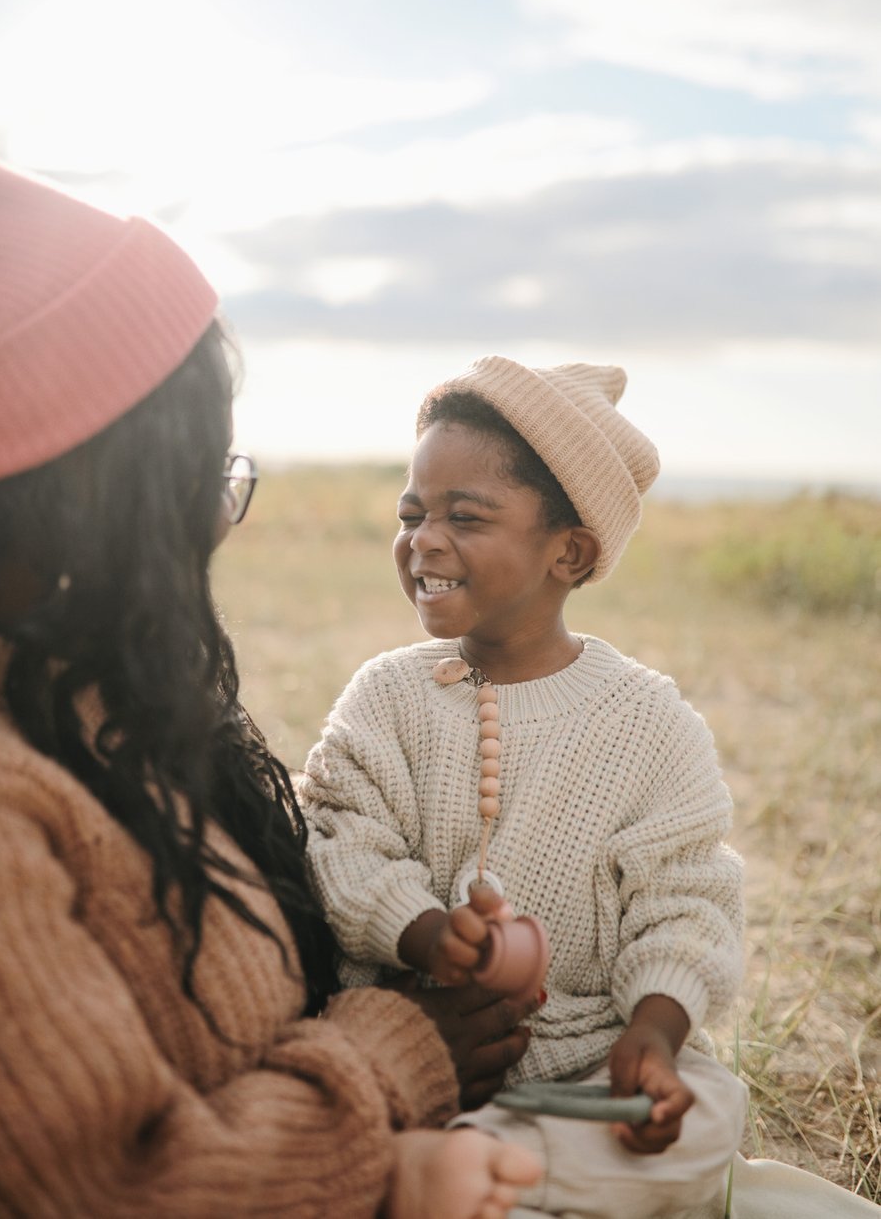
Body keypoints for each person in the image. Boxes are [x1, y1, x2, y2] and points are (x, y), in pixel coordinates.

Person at [0, 156, 542, 1219]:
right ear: (71, 503)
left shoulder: (74, 689)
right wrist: (398, 1055)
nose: (213, 521)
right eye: (194, 476)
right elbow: (121, 1187)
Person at [299, 359, 881, 1218]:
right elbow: (340, 841)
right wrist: (428, 936)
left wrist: (654, 1034)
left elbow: (687, 901)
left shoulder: (648, 720)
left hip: (587, 1066)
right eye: (411, 513)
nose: (424, 539)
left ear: (568, 552)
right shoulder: (385, 696)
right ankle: (477, 1170)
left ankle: (482, 1172)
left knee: (707, 1108)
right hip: (420, 1045)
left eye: (465, 516)